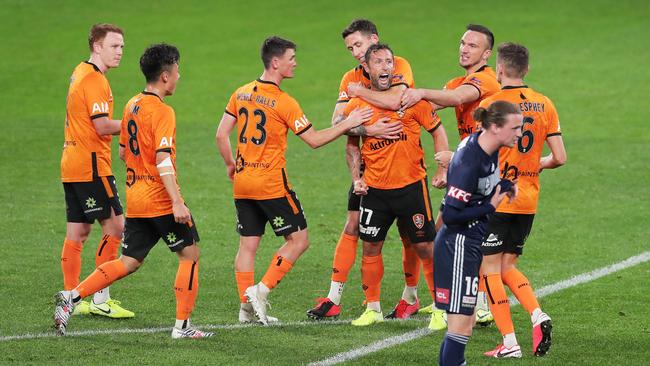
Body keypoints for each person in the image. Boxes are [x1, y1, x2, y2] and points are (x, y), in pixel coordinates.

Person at [54, 43, 213, 339]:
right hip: (162, 200)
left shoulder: (131, 104)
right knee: (189, 255)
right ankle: (182, 327)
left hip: (136, 198)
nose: (179, 76)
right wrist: (177, 202)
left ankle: (71, 297)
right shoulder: (164, 112)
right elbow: (164, 159)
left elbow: (125, 152)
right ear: (165, 76)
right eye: (177, 71)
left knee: (129, 261)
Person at [215, 36, 373, 326]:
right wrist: (349, 125)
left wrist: (230, 165)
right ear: (276, 63)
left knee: (247, 245)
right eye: (291, 58)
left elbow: (221, 134)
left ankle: (245, 310)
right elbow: (313, 140)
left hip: (243, 182)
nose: (295, 63)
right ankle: (261, 291)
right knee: (299, 240)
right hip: (270, 183)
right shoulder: (283, 102)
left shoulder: (241, 93)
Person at [307, 18, 442, 322]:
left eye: (358, 44)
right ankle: (338, 297)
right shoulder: (349, 78)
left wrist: (360, 95)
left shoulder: (398, 65)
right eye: (350, 47)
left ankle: (411, 295)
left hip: (405, 170)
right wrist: (367, 128)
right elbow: (339, 122)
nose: (354, 52)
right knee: (357, 228)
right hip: (368, 170)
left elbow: (398, 99)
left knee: (415, 238)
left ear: (374, 40)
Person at [400, 24, 501, 328]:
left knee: (454, 235)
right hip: (468, 171)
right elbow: (429, 106)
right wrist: (393, 100)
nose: (464, 48)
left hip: (484, 174)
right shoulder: (458, 80)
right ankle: (471, 301)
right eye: (462, 43)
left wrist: (415, 92)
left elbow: (457, 98)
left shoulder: (485, 80)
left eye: (472, 45)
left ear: (486, 53)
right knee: (452, 235)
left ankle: (470, 303)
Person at [479, 43, 566, 358]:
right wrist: (536, 164)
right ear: (526, 69)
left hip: (498, 198)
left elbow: (481, 154)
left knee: (487, 269)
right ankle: (537, 314)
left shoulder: (492, 104)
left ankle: (510, 342)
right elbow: (560, 157)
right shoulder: (545, 103)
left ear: (499, 69)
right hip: (528, 198)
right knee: (507, 266)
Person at [434, 101, 522, 365]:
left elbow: (483, 186)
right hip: (458, 245)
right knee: (461, 327)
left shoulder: (488, 146)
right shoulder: (470, 162)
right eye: (515, 128)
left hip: (469, 244)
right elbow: (450, 215)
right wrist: (489, 206)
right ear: (495, 127)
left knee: (463, 325)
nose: (520, 133)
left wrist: (504, 185)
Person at [59, 23, 133, 318]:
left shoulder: (80, 71)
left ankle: (69, 296)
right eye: (114, 46)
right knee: (116, 228)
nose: (120, 52)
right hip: (91, 165)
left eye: (122, 47)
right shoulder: (95, 80)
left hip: (72, 162)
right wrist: (135, 124)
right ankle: (100, 299)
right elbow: (101, 125)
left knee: (78, 231)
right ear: (96, 46)